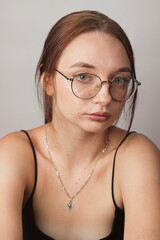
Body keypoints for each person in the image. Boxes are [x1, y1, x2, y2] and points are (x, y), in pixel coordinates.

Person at [0, 10, 160, 240]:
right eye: (84, 76)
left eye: (119, 80)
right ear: (48, 82)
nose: (104, 97)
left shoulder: (137, 155)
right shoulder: (13, 154)